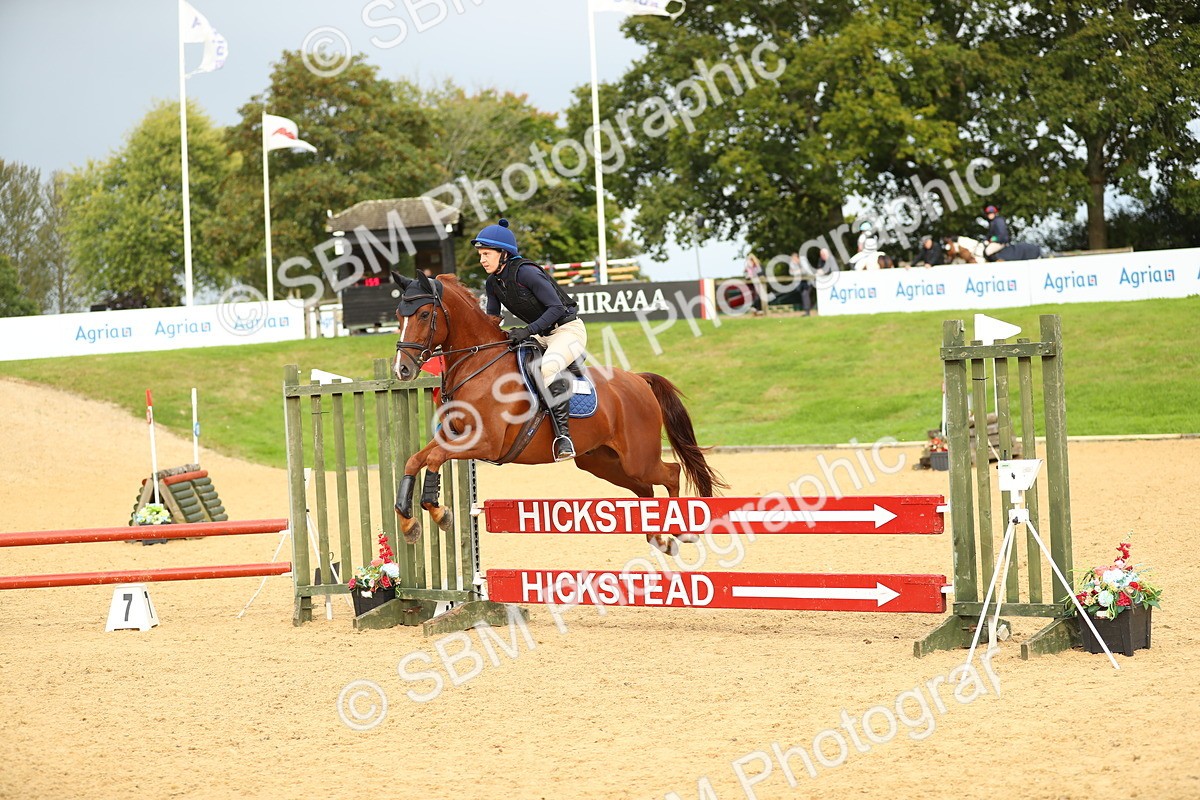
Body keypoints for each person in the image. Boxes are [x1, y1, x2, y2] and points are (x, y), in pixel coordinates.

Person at [474, 219, 585, 461]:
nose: (482, 259)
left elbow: (556, 308)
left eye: (486, 254)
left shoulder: (527, 272)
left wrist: (527, 331)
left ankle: (564, 438)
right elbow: (493, 318)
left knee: (548, 367)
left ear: (503, 253)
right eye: (481, 254)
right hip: (540, 335)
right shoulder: (493, 282)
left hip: (567, 330)